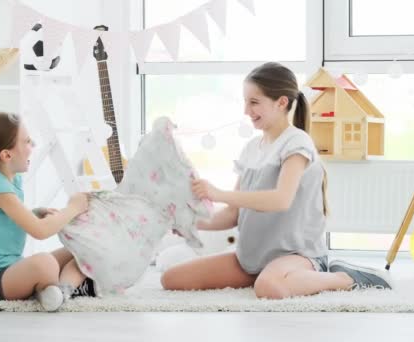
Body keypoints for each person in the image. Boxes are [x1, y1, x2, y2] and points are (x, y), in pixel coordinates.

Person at [161, 62, 392, 299]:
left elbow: (281, 199)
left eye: (254, 102)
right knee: (172, 279)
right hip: (252, 258)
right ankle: (269, 274)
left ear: (281, 102)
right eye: (245, 102)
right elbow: (232, 214)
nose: (246, 110)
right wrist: (186, 223)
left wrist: (218, 193)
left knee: (269, 288)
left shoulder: (296, 144)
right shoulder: (251, 148)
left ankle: (344, 278)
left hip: (297, 256)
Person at [0, 112, 91, 311]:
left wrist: (34, 213)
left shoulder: (8, 178)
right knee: (45, 263)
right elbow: (40, 231)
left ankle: (56, 292)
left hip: (12, 269)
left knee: (79, 248)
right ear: (6, 155)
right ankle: (60, 287)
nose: (33, 146)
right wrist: (73, 208)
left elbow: (2, 220)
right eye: (27, 141)